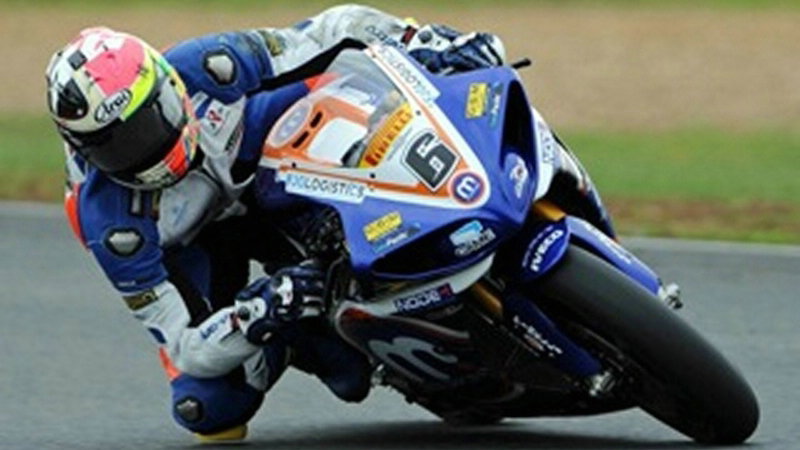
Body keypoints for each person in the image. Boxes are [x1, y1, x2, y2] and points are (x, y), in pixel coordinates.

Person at [45, 4, 507, 442]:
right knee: (209, 408)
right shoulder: (113, 228)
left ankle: (444, 180)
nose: (147, 146)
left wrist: (422, 40)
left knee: (345, 80)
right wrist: (258, 313)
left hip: (255, 154)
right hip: (196, 242)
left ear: (167, 86)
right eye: (116, 146)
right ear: (85, 150)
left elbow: (332, 29)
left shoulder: (209, 66)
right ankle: (300, 330)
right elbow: (185, 346)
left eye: (152, 119)